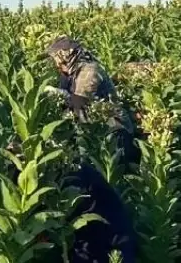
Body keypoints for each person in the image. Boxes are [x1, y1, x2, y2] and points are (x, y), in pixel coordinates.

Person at [44, 36, 137, 166]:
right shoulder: (68, 74)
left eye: (55, 58)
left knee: (113, 170)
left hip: (114, 132)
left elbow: (80, 105)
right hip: (94, 132)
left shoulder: (89, 71)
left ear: (65, 57)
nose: (55, 63)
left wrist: (60, 94)